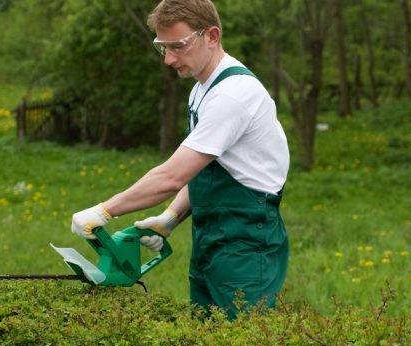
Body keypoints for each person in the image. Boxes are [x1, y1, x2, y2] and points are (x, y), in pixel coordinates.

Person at [70, 0, 289, 319]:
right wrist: (171, 217)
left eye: (179, 46)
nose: (170, 59)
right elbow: (206, 167)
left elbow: (171, 176)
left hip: (245, 239)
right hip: (212, 236)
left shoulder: (232, 95)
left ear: (211, 36)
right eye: (163, 47)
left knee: (243, 334)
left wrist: (105, 211)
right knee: (204, 330)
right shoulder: (201, 89)